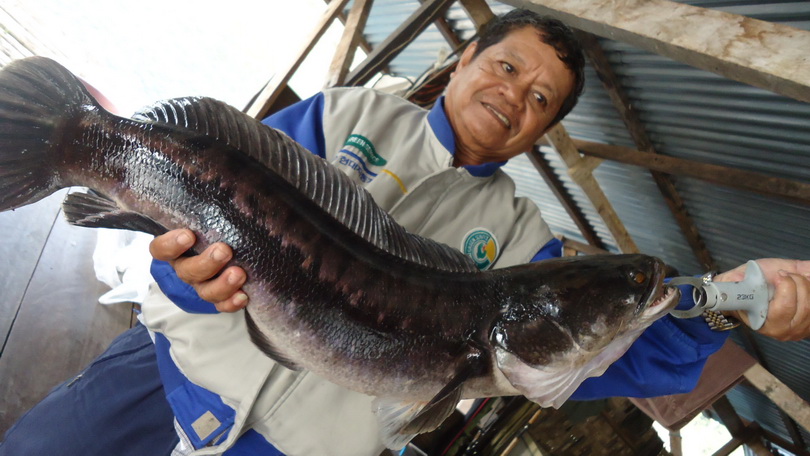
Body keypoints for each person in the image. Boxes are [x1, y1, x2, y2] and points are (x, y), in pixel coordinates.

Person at [2, 9, 809, 456]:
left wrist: (730, 303)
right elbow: (205, 208)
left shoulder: (530, 247)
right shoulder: (344, 112)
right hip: (163, 368)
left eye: (540, 101)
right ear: (461, 62)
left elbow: (613, 352)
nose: (515, 96)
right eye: (506, 68)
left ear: (539, 135)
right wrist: (187, 277)